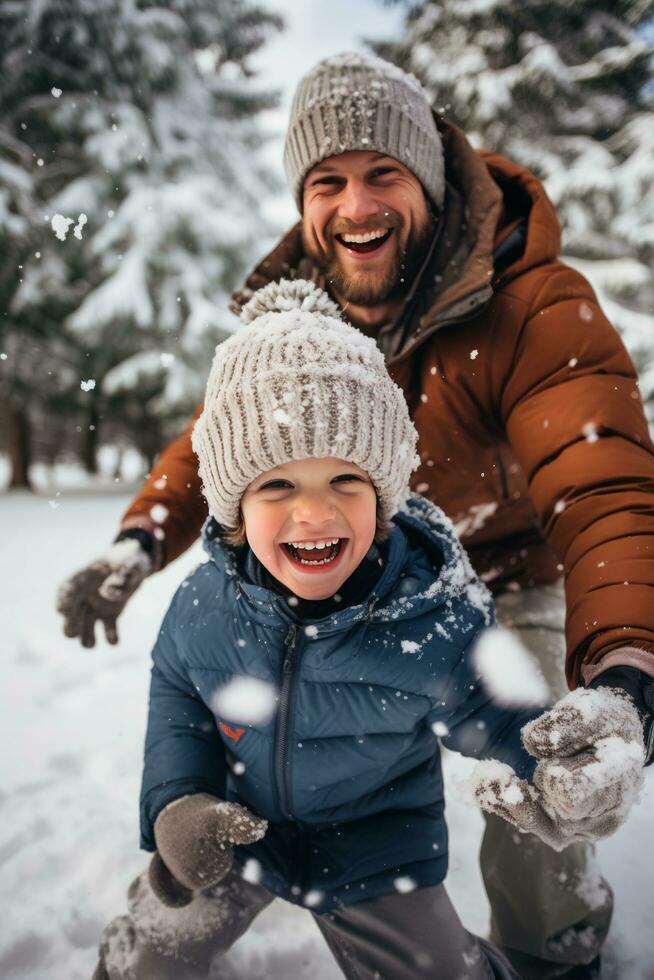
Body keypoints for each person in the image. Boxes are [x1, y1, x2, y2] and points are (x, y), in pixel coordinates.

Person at [58, 54, 654, 978]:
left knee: (542, 763)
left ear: (432, 179)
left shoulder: (532, 301)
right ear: (303, 200)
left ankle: (557, 949)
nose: (356, 205)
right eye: (327, 181)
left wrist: (625, 672)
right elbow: (220, 444)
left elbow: (603, 481)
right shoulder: (293, 310)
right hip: (324, 571)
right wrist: (140, 541)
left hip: (505, 574)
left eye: (384, 174)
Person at [92, 280, 644, 980]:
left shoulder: (430, 614)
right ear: (233, 505)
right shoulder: (204, 603)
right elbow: (176, 699)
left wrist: (552, 768)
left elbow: (500, 712)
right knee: (153, 954)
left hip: (371, 850)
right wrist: (177, 804)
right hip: (232, 832)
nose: (316, 515)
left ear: (386, 495)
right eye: (277, 486)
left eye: (346, 481)